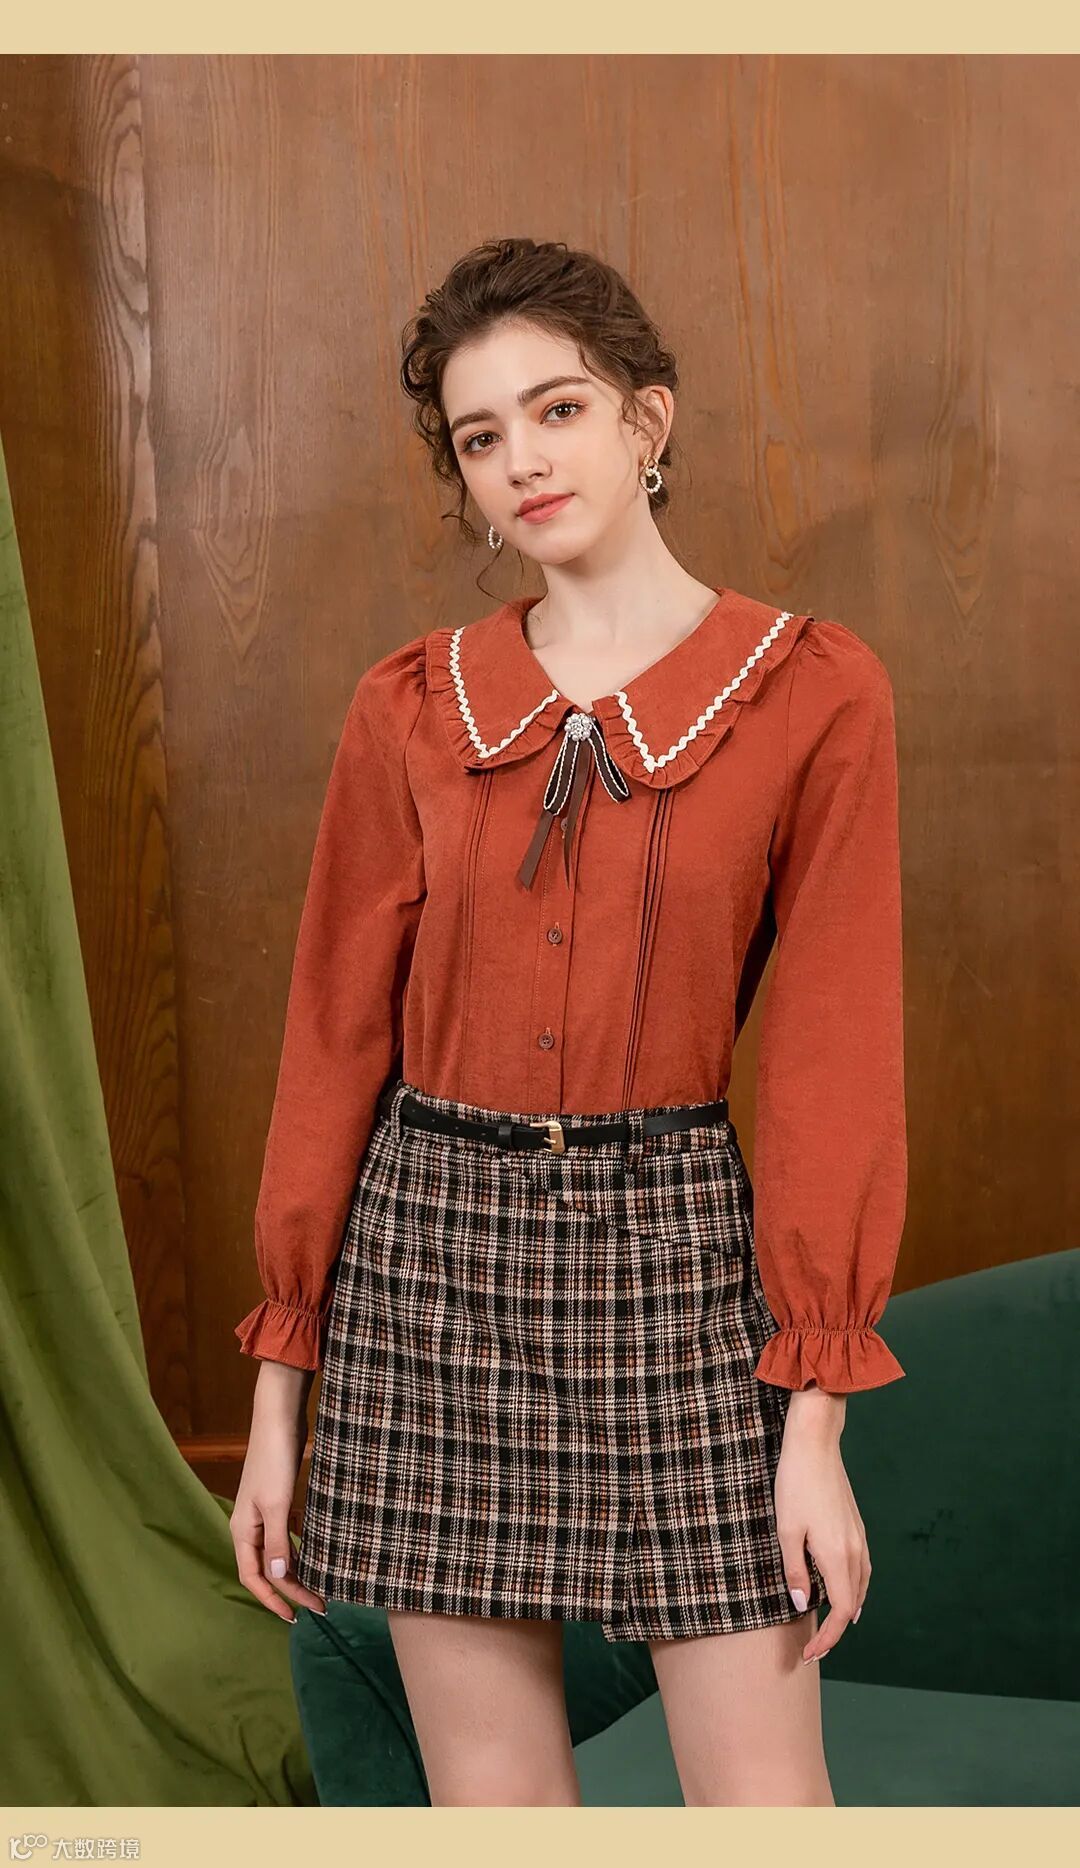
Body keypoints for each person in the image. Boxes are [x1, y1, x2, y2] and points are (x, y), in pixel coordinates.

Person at [229, 236, 908, 1807]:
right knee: (498, 1812)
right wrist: (278, 1404)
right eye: (481, 438)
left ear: (647, 420)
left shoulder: (812, 692)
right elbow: (332, 1045)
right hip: (428, 1264)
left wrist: (813, 1427)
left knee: (768, 1812)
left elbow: (834, 1060)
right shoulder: (410, 705)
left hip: (678, 1254)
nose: (523, 460)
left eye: (559, 410)